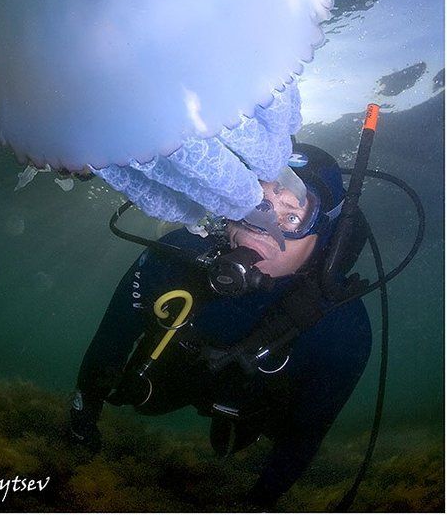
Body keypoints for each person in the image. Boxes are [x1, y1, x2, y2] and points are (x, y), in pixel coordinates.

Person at [69, 144, 372, 509]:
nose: (262, 227)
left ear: (323, 239)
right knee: (141, 399)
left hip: (252, 409)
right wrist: (83, 414)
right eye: (253, 202)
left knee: (251, 437)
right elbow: (113, 336)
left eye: (292, 218)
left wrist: (257, 503)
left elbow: (305, 433)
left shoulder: (340, 325)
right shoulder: (173, 257)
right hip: (172, 377)